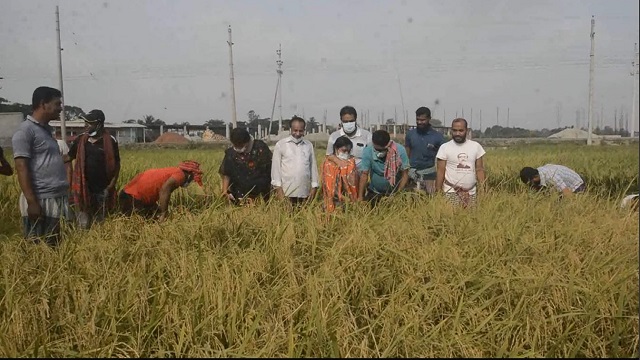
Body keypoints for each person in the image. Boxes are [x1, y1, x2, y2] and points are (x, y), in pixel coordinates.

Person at [11, 86, 69, 246]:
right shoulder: (25, 131)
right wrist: (32, 202)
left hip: (56, 197)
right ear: (44, 104)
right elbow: (21, 167)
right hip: (41, 200)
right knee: (40, 249)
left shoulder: (45, 131)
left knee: (57, 247)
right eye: (57, 104)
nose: (61, 108)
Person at [68, 110, 121, 229]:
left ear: (99, 124)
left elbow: (117, 165)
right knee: (83, 222)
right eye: (85, 122)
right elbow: (69, 157)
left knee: (100, 222)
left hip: (103, 189)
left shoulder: (110, 140)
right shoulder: (81, 140)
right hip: (83, 188)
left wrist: (110, 186)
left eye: (89, 123)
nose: (85, 125)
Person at [119, 160, 203, 220]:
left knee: (156, 212)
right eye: (192, 179)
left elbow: (154, 189)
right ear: (189, 175)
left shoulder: (174, 171)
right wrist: (164, 214)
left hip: (128, 195)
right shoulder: (180, 176)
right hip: (131, 199)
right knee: (151, 221)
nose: (191, 181)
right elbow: (164, 191)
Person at [435, 118, 486, 207]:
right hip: (450, 192)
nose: (457, 133)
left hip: (471, 192)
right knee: (452, 218)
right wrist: (438, 191)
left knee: (471, 219)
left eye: (461, 130)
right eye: (455, 130)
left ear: (466, 130)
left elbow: (479, 169)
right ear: (451, 130)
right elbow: (440, 171)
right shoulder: (445, 147)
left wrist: (484, 189)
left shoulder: (476, 146)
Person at [271, 116, 319, 205]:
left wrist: (314, 187)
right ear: (290, 130)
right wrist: (279, 191)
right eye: (295, 130)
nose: (297, 133)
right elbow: (276, 170)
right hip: (286, 193)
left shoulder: (308, 145)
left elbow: (313, 167)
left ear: (304, 130)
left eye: (300, 131)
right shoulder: (281, 145)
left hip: (304, 192)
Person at [219, 128, 272, 204]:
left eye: (241, 145)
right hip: (239, 192)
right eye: (236, 145)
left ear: (247, 141)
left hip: (261, 192)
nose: (238, 147)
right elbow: (227, 173)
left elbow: (270, 169)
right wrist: (224, 191)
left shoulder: (260, 148)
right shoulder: (231, 153)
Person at [357, 129, 410, 206]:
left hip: (394, 194)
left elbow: (405, 174)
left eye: (382, 150)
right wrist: (360, 196)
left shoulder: (399, 150)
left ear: (388, 144)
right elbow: (364, 174)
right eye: (377, 149)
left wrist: (398, 194)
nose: (379, 152)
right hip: (375, 192)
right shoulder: (368, 151)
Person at [405, 106, 445, 194]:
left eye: (423, 120)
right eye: (417, 119)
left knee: (429, 200)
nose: (419, 122)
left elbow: (442, 160)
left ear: (429, 119)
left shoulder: (437, 137)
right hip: (411, 174)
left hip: (429, 175)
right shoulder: (410, 135)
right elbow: (406, 155)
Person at [322, 136, 359, 213]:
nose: (346, 153)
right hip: (333, 199)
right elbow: (328, 185)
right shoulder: (328, 164)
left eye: (348, 151)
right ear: (336, 149)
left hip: (349, 200)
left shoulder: (351, 162)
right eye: (344, 150)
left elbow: (354, 182)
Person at [519, 164, 585, 197]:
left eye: (530, 183)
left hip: (576, 185)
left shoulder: (551, 177)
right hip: (564, 185)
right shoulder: (537, 173)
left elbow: (567, 192)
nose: (531, 186)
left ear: (535, 177)